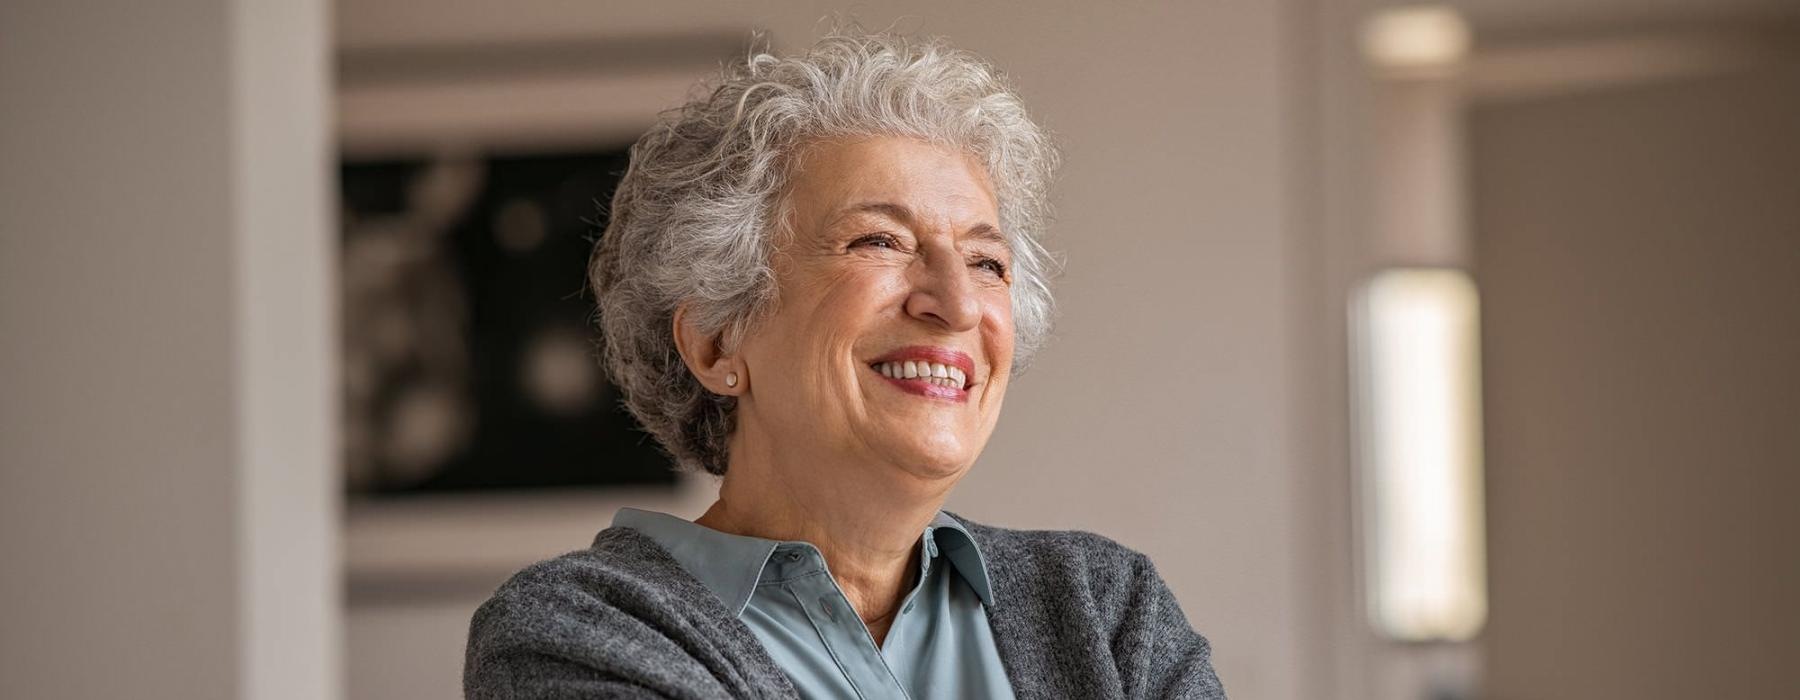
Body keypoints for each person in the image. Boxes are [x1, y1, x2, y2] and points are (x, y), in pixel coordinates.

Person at [464, 29, 1226, 699]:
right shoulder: (573, 633)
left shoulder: (1105, 609)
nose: (956, 303)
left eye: (987, 261)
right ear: (718, 342)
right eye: (880, 242)